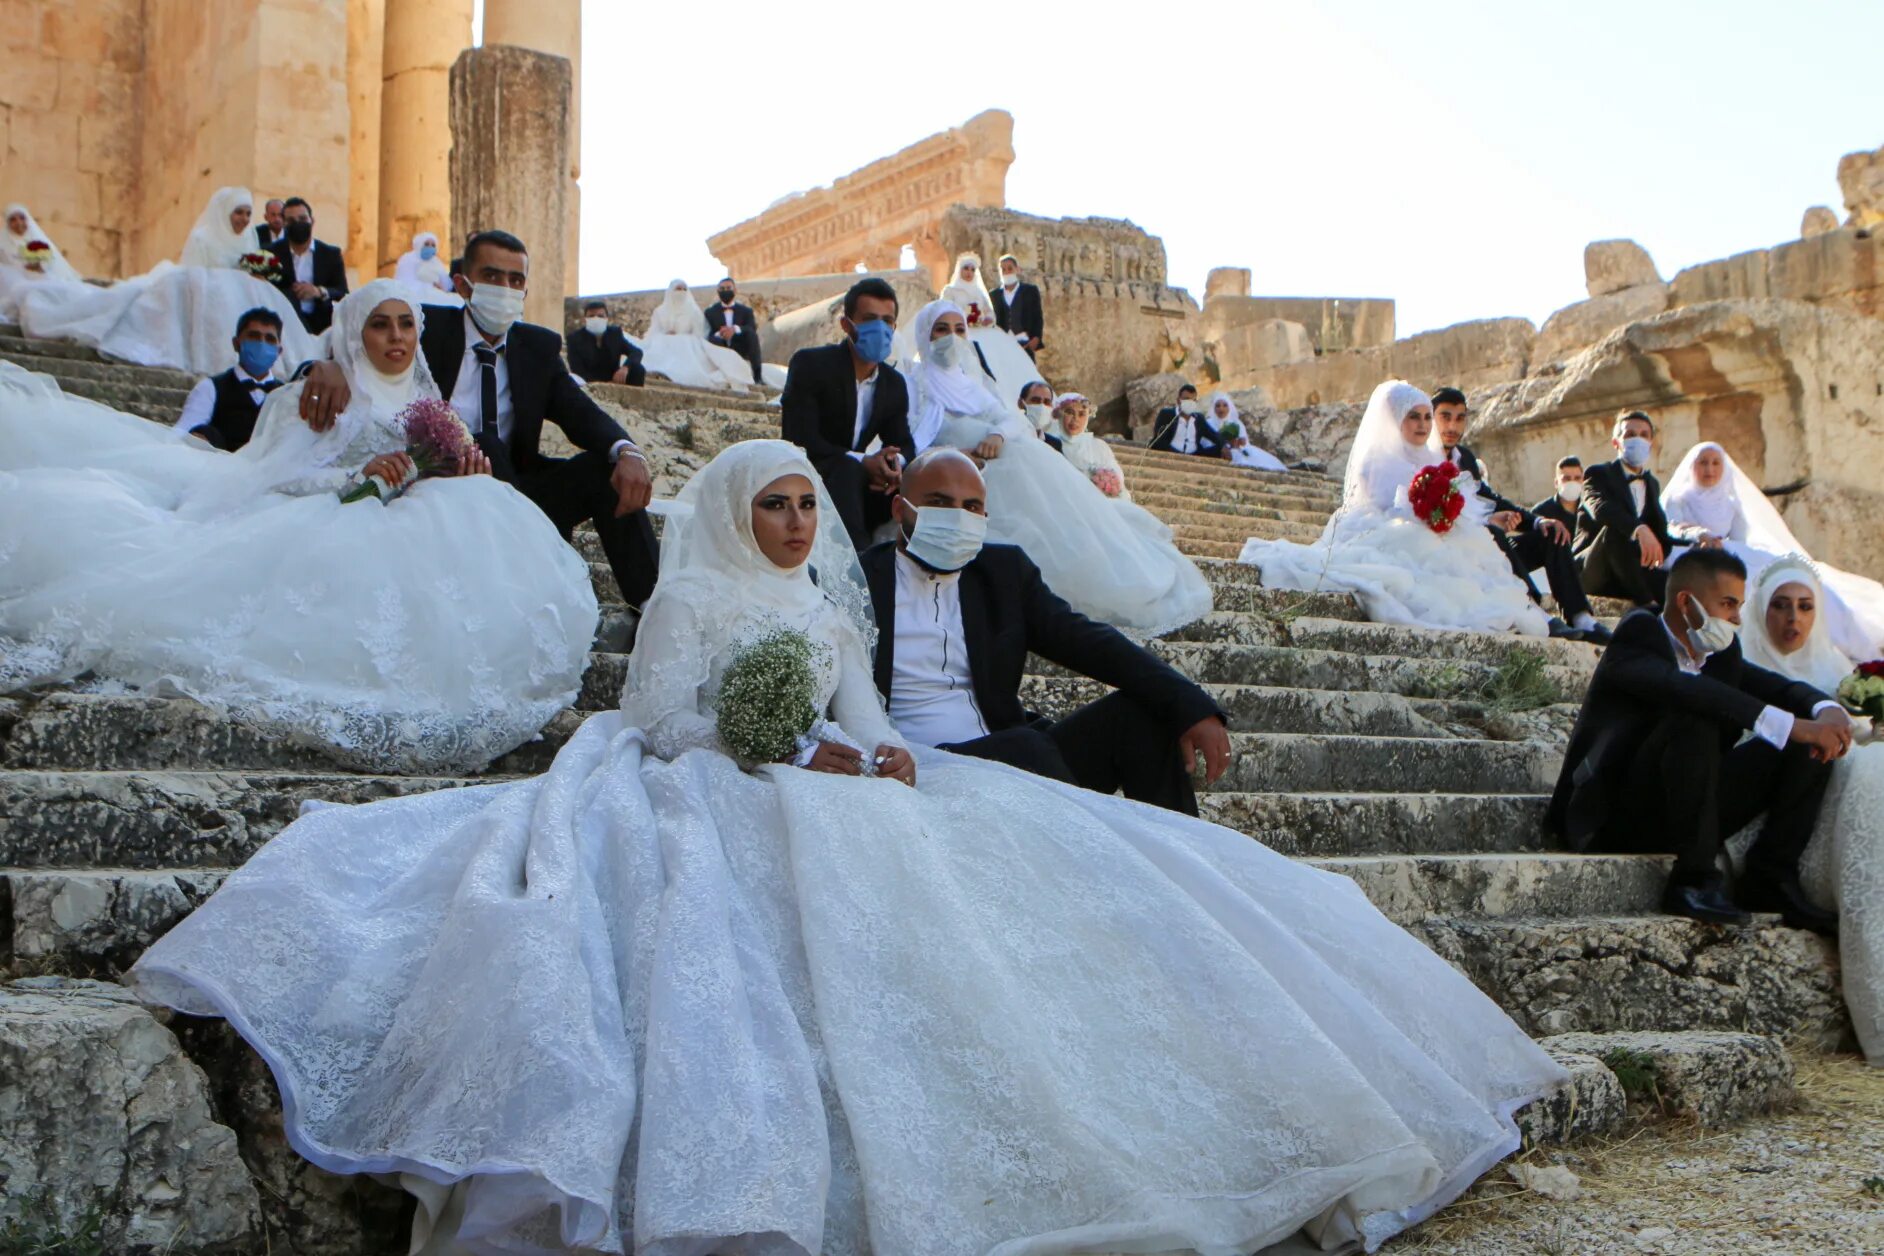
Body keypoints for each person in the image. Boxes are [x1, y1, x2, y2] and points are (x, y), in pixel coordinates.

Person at [127, 437, 1568, 1256]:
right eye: (772, 499)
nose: (794, 517)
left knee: (1023, 859)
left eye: (807, 500)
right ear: (729, 509)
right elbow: (669, 721)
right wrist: (796, 748)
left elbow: (866, 702)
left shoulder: (825, 607)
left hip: (848, 779)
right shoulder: (689, 599)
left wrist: (871, 746)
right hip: (714, 789)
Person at [0, 279, 597, 772]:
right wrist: (357, 477)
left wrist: (460, 467)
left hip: (419, 526)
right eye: (379, 324)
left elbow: (447, 466)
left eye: (406, 324)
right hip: (336, 523)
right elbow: (276, 476)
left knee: (483, 507)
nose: (396, 338)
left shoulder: (433, 408)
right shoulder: (322, 394)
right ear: (355, 332)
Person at [296, 230, 658, 608]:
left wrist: (628, 450)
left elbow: (581, 411)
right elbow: (359, 336)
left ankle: (653, 611)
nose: (504, 288)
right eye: (492, 276)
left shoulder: (538, 348)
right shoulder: (424, 328)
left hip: (517, 491)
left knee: (608, 471)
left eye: (515, 280)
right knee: (480, 441)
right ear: (463, 285)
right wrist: (327, 364)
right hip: (437, 494)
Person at [865, 444, 1222, 808]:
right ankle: (1099, 851)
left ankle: (1175, 855)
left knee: (1141, 715)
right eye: (939, 503)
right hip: (924, 766)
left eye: (971, 507)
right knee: (1026, 747)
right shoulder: (859, 582)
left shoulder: (1003, 572)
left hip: (1021, 758)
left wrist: (1191, 704)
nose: (957, 518)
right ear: (900, 508)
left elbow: (1088, 641)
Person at [1546, 547, 1851, 929]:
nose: (1737, 618)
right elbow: (1682, 689)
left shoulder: (1719, 651)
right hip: (1615, 814)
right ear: (1687, 602)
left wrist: (1825, 710)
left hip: (1688, 806)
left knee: (1806, 742)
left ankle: (1769, 877)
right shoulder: (1638, 634)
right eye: (1727, 604)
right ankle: (1693, 880)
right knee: (1696, 715)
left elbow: (1776, 687)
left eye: (1739, 605)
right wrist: (1788, 724)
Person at [913, 300, 1212, 636]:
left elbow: (1005, 418)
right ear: (925, 334)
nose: (952, 338)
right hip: (961, 472)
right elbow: (913, 436)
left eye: (958, 330)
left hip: (1007, 459)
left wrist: (997, 435)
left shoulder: (973, 383)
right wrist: (957, 454)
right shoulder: (914, 383)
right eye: (942, 329)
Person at [1241, 380, 1550, 636]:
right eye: (1413, 417)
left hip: (1428, 529)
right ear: (1396, 419)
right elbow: (1385, 507)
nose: (1422, 424)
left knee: (1475, 545)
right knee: (1421, 547)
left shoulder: (1433, 460)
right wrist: (1425, 514)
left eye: (1427, 417)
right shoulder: (1376, 461)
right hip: (1383, 528)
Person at [1739, 555, 1884, 1062]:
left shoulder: (1834, 670)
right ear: (1761, 610)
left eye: (1804, 607)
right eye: (1780, 606)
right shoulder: (1740, 658)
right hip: (1772, 800)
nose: (1793, 620)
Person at [14, 186, 316, 376]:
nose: (243, 219)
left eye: (248, 213)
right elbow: (195, 267)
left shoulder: (249, 237)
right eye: (238, 212)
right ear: (225, 212)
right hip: (208, 288)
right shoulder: (203, 236)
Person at [1662, 439, 1884, 663]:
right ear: (1692, 467)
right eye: (1703, 463)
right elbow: (1671, 527)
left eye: (1715, 463)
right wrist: (1699, 535)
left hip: (1730, 552)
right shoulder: (1678, 498)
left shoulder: (1730, 502)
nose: (1709, 469)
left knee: (1787, 574)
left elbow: (1740, 536)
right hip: (1694, 556)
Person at [1429, 387, 1609, 644]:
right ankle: (1534, 612)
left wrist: (1537, 521)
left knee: (1551, 534)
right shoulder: (1421, 459)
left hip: (1489, 550)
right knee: (1492, 533)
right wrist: (1486, 522)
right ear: (1431, 417)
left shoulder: (1465, 457)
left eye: (1459, 418)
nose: (1452, 425)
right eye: (1445, 416)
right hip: (1458, 554)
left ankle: (1581, 617)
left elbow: (1491, 499)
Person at [779, 276, 913, 550]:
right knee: (848, 470)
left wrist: (893, 463)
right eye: (870, 319)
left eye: (887, 321)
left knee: (915, 481)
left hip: (862, 484)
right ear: (846, 325)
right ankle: (857, 562)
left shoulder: (893, 383)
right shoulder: (811, 364)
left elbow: (903, 441)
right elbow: (800, 437)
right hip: (814, 471)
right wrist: (863, 462)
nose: (880, 328)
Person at [1574, 410, 1679, 608]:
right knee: (1615, 529)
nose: (1637, 439)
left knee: (1681, 583)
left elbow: (1660, 535)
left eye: (1643, 435)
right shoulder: (1597, 474)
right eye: (1630, 434)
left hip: (1630, 571)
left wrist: (1695, 543)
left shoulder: (1652, 484)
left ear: (1651, 442)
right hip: (1594, 570)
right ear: (1616, 442)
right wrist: (1638, 529)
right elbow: (1599, 508)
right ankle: (1647, 604)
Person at [172, 307, 286, 450]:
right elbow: (182, 433)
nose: (262, 344)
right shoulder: (211, 388)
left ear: (279, 351)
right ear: (236, 343)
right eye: (254, 336)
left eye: (269, 339)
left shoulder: (286, 394)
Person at [938, 251, 1040, 410]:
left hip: (985, 334)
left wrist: (986, 319)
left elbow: (990, 313)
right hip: (961, 334)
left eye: (972, 269)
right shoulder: (950, 291)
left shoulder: (979, 292)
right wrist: (963, 319)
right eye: (966, 268)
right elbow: (944, 311)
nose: (969, 272)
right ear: (959, 270)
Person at [637, 280, 753, 392]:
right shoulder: (660, 311)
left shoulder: (694, 311)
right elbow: (653, 331)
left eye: (684, 289)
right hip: (664, 342)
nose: (681, 292)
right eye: (678, 289)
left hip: (687, 344)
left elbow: (699, 333)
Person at [267, 197, 348, 334]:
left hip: (321, 328)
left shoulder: (330, 254)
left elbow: (342, 292)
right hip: (284, 327)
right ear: (285, 224)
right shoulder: (271, 253)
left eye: (303, 219)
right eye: (291, 221)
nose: (298, 224)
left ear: (312, 221)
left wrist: (318, 291)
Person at [0, 202, 84, 321]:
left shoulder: (37, 238)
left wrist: (39, 267)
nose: (18, 223)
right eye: (13, 220)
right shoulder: (2, 242)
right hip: (16, 283)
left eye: (22, 218)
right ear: (8, 223)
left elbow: (52, 262)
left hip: (41, 278)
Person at [1046, 391, 1131, 500]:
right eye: (1069, 412)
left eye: (1081, 414)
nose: (1075, 419)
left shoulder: (1099, 447)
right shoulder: (1050, 443)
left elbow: (1117, 478)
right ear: (1059, 414)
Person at [566, 299, 645, 386]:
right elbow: (577, 370)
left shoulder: (614, 334)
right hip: (589, 383)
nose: (596, 319)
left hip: (615, 380)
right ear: (585, 319)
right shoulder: (574, 339)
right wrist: (602, 385)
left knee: (637, 369)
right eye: (591, 316)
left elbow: (636, 352)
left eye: (600, 316)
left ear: (606, 318)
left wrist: (625, 367)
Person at [703, 277, 763, 384]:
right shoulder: (710, 312)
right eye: (722, 289)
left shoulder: (746, 311)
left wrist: (734, 329)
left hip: (739, 345)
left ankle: (757, 376)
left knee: (751, 335)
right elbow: (707, 332)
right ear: (718, 292)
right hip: (720, 346)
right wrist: (721, 333)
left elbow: (751, 327)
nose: (725, 291)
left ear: (735, 290)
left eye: (728, 288)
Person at [1209, 392, 1287, 470]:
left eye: (1225, 405)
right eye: (1218, 406)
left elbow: (1244, 442)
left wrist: (1238, 442)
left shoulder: (1236, 423)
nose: (1221, 409)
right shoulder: (1209, 423)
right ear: (1214, 408)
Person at [991, 253, 1043, 359]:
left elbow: (1037, 316)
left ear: (1017, 269)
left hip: (1024, 342)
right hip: (1002, 344)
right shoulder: (994, 294)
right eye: (1003, 269)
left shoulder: (1030, 291)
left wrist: (1036, 338)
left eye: (1010, 268)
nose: (1006, 272)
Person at [1149, 383, 1223, 456]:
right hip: (1171, 452)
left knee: (1221, 449)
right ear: (1178, 401)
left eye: (1193, 400)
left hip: (1194, 454)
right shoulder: (1167, 414)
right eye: (1186, 399)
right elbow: (1159, 437)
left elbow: (1214, 435)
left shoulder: (1199, 419)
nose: (1190, 403)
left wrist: (1225, 445)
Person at [391, 230, 457, 296]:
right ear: (420, 244)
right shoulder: (408, 259)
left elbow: (445, 285)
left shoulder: (436, 263)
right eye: (426, 244)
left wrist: (440, 288)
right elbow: (405, 283)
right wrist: (430, 287)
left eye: (433, 245)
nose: (430, 247)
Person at [1532, 455, 1584, 534]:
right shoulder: (1541, 512)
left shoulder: (1589, 510)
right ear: (1556, 483)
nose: (1572, 482)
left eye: (1577, 478)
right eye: (1567, 479)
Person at [1017, 378, 1059, 449]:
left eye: (1046, 402)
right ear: (1021, 403)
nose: (1042, 406)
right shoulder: (1011, 435)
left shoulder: (1055, 444)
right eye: (1035, 400)